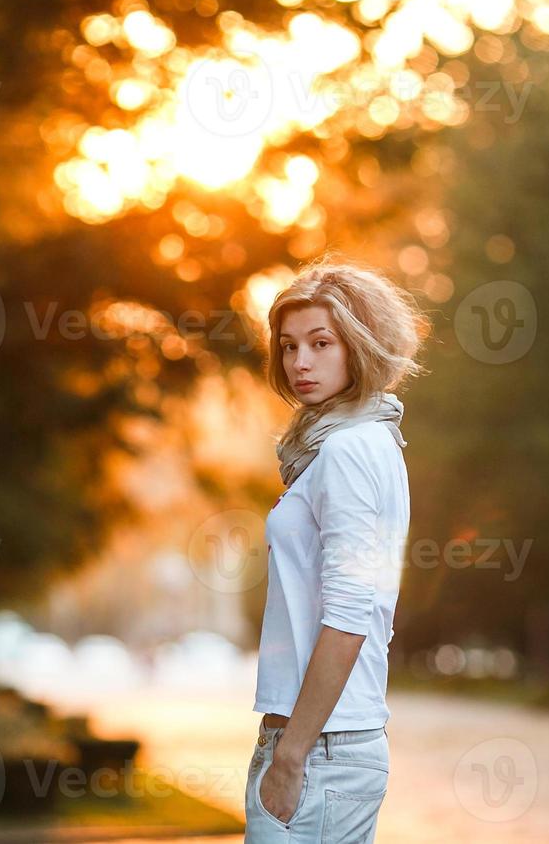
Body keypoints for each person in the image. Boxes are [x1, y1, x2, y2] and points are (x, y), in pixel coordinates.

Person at [244, 256, 430, 843]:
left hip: (321, 747)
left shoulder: (350, 450)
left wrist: (292, 755)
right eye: (289, 344)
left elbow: (350, 616)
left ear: (360, 345)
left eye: (321, 343)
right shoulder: (361, 441)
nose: (300, 362)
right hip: (323, 740)